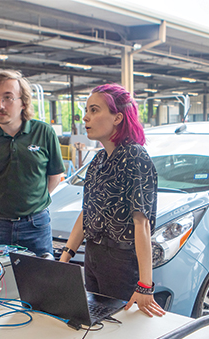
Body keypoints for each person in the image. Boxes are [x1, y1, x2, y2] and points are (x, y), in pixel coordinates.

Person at [59, 84, 165, 318]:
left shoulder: (134, 157)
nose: (85, 117)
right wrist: (65, 256)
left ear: (118, 117)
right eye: (87, 110)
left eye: (94, 110)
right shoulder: (98, 160)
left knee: (123, 329)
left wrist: (145, 284)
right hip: (94, 256)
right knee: (95, 321)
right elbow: (87, 213)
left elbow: (142, 223)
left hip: (122, 262)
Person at [0, 70, 65, 256]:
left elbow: (55, 176)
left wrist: (33, 203)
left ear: (23, 102)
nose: (0, 105)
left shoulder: (44, 132)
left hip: (36, 226)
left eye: (8, 98)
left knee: (40, 281)